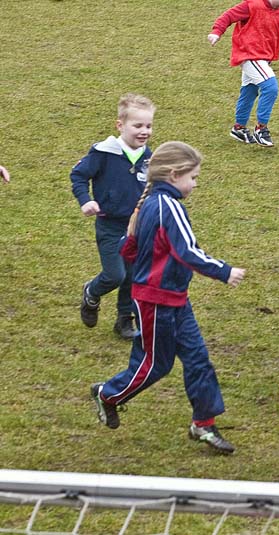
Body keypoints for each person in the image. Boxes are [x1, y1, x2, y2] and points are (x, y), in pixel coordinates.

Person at [90, 141, 246, 454]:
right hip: (155, 302)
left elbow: (128, 245)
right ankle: (107, 394)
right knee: (153, 366)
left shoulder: (152, 203)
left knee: (198, 359)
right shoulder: (167, 208)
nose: (195, 184)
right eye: (193, 177)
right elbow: (187, 250)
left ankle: (203, 423)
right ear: (174, 175)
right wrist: (224, 271)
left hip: (175, 298)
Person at [71, 93, 155, 341]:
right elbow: (78, 175)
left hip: (136, 226)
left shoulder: (147, 155)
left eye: (148, 126)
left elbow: (151, 186)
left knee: (133, 274)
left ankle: (124, 319)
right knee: (115, 275)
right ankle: (91, 292)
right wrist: (86, 200)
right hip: (109, 225)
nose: (144, 131)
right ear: (120, 125)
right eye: (137, 125)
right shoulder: (103, 152)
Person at [208, 0, 279, 147]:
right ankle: (261, 129)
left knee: (249, 91)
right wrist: (216, 32)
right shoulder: (252, 5)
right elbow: (228, 16)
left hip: (264, 57)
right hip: (249, 55)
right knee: (270, 87)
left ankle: (239, 128)